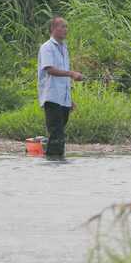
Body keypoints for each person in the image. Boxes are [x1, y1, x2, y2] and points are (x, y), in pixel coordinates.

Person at [37, 16, 83, 158]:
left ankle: (58, 166)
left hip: (63, 99)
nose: (65, 30)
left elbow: (63, 79)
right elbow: (49, 69)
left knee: (60, 135)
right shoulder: (47, 47)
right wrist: (71, 74)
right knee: (56, 134)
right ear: (53, 29)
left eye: (66, 27)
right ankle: (52, 166)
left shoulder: (64, 48)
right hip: (51, 98)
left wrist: (69, 99)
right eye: (62, 26)